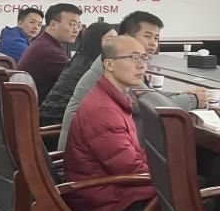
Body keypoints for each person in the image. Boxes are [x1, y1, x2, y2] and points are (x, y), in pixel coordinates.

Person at [63, 35, 157, 211]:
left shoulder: (111, 98)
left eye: (144, 58)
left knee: (189, 182)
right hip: (104, 202)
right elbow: (130, 169)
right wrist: (171, 169)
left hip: (103, 190)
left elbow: (128, 159)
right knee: (191, 195)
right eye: (134, 58)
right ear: (109, 64)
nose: (142, 64)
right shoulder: (104, 110)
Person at [58, 11, 207, 151]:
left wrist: (180, 95)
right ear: (126, 37)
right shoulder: (117, 64)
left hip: (94, 147)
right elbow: (151, 105)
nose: (153, 43)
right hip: (87, 154)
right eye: (148, 36)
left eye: (156, 38)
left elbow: (148, 94)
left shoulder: (121, 59)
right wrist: (193, 100)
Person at [39, 22, 116, 126]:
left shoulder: (80, 59)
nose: (116, 45)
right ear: (96, 42)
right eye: (110, 40)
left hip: (49, 118)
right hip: (58, 123)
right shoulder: (93, 66)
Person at [17, 3, 82, 102]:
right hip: (44, 109)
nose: (76, 30)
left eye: (78, 25)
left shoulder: (43, 44)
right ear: (53, 25)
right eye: (72, 24)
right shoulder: (48, 51)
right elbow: (81, 81)